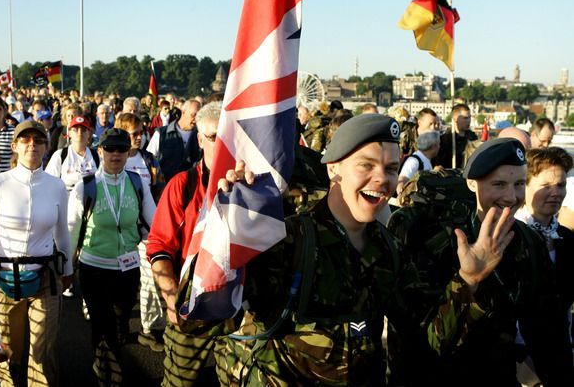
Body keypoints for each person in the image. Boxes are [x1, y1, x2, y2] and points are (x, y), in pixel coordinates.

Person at [215, 114, 523, 385]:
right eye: (367, 165)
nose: (382, 179)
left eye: (391, 168)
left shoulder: (389, 249)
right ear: (333, 168)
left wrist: (468, 280)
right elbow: (200, 318)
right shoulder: (289, 239)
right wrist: (226, 227)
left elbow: (424, 342)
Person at [388, 138, 574, 386]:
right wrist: (467, 282)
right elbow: (421, 344)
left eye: (519, 184)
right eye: (498, 184)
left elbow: (547, 331)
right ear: (472, 184)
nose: (511, 197)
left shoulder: (528, 242)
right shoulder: (433, 239)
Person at [0, 120, 74, 387]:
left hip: (46, 279)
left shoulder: (56, 186)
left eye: (38, 140)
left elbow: (63, 233)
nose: (32, 145)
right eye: (25, 140)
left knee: (41, 352)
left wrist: (68, 272)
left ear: (46, 147)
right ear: (15, 146)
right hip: (5, 280)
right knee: (6, 352)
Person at [147, 101, 228, 386]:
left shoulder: (251, 188)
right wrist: (171, 299)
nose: (221, 144)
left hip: (238, 310)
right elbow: (158, 246)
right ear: (200, 139)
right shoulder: (182, 185)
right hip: (190, 306)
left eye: (227, 136)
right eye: (213, 137)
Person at [67, 128, 156, 384]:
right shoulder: (86, 187)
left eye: (121, 149)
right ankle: (107, 374)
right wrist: (67, 270)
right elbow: (72, 231)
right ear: (100, 151)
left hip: (127, 269)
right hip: (94, 268)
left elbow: (154, 221)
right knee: (100, 324)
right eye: (110, 149)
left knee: (119, 326)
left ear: (129, 152)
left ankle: (110, 365)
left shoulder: (138, 182)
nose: (115, 154)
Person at [114, 113, 167, 352]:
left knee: (150, 280)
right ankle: (119, 325)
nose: (139, 137)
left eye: (141, 132)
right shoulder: (114, 159)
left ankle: (150, 328)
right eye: (133, 133)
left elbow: (160, 189)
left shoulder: (149, 160)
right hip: (119, 231)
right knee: (121, 282)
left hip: (147, 231)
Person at [515, 147, 574, 357]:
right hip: (519, 356)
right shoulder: (511, 236)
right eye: (546, 186)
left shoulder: (566, 238)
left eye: (561, 185)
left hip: (559, 352)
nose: (556, 193)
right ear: (524, 186)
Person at [146, 99, 202, 181]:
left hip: (190, 187)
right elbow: (149, 161)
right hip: (166, 187)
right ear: (183, 112)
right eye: (193, 115)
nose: (196, 119)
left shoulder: (201, 136)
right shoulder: (161, 134)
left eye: (199, 117)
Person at [46, 115, 100, 192]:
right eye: (75, 129)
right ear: (70, 133)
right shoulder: (60, 155)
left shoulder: (97, 156)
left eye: (83, 129)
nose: (80, 133)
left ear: (89, 133)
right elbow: (49, 183)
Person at [433, 103, 479, 169]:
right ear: (455, 119)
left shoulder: (473, 137)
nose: (469, 121)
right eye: (465, 118)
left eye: (469, 117)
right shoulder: (445, 139)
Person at [396, 130, 440, 194]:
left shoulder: (425, 160)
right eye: (438, 144)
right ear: (433, 146)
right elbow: (401, 184)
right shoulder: (414, 161)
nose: (439, 147)